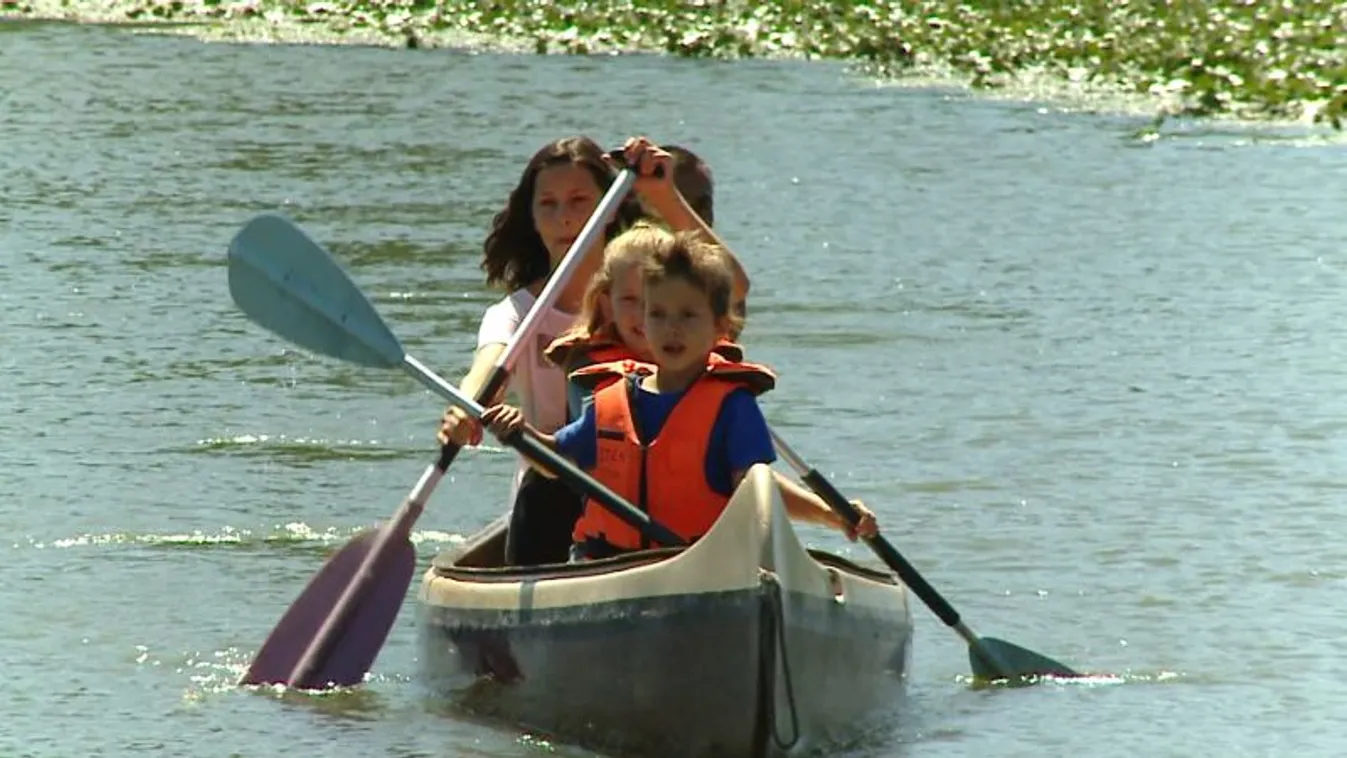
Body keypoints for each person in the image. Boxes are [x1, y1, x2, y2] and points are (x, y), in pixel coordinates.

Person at [481, 225, 878, 561]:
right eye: (657, 315)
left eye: (688, 316)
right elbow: (556, 461)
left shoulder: (733, 405)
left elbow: (758, 487)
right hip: (607, 568)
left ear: (720, 327)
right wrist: (522, 434)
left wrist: (830, 514)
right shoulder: (611, 401)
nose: (671, 329)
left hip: (697, 567)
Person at [436, 135, 642, 567]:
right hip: (551, 499)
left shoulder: (647, 304)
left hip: (637, 490)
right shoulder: (514, 314)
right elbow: (487, 370)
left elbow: (728, 289)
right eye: (548, 204)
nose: (564, 218)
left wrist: (667, 195)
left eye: (579, 200)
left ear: (610, 208)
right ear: (531, 217)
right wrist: (465, 408)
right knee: (549, 489)